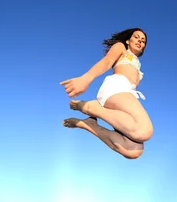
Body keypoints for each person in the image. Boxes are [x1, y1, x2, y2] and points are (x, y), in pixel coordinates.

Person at [60, 28, 153, 159]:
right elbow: (107, 61)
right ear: (128, 40)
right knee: (144, 130)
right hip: (117, 87)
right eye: (137, 37)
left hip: (126, 92)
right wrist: (86, 78)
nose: (140, 41)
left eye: (143, 41)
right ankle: (92, 108)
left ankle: (90, 125)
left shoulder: (137, 62)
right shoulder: (122, 48)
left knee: (134, 150)